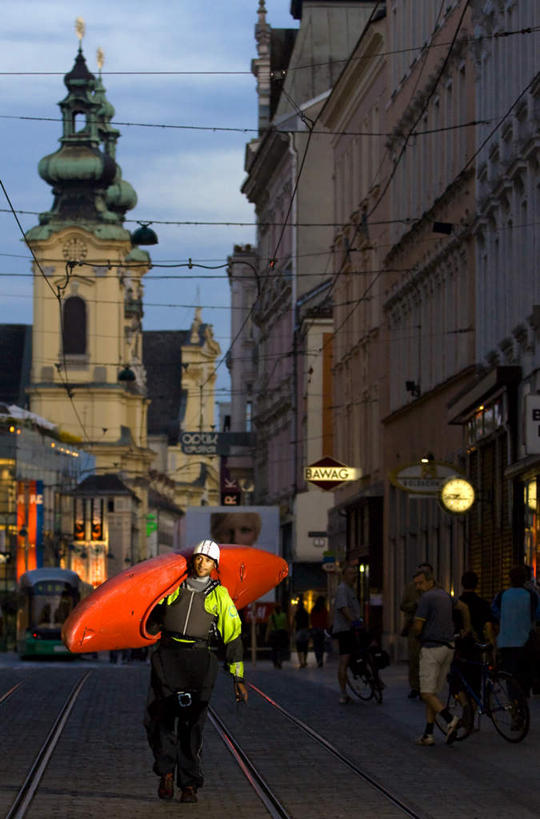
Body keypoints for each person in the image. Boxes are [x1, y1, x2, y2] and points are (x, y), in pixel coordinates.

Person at [144, 539, 247, 803]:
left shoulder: (219, 595)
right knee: (157, 719)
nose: (203, 563)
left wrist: (238, 678)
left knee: (192, 726)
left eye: (209, 560)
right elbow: (153, 618)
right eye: (199, 558)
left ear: (215, 566)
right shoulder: (172, 586)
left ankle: (188, 784)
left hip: (200, 662)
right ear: (193, 560)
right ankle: (166, 772)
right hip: (166, 658)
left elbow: (233, 635)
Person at [412, 567, 469, 746]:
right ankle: (428, 734)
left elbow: (418, 627)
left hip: (432, 648)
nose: (419, 587)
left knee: (426, 693)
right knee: (433, 694)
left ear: (430, 581)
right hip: (448, 648)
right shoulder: (445, 595)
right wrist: (466, 629)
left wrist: (416, 633)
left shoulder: (426, 598)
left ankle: (450, 719)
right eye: (416, 584)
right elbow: (464, 607)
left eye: (421, 583)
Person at [491, 565, 540, 697]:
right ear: (524, 579)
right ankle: (523, 701)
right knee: (524, 675)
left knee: (510, 676)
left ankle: (514, 704)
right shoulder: (532, 595)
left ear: (510, 579)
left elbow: (494, 612)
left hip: (506, 642)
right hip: (525, 642)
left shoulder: (501, 595)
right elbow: (538, 614)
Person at [400, 562, 434, 699]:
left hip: (430, 627)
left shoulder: (435, 589)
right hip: (414, 627)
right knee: (414, 658)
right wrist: (414, 604)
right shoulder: (410, 588)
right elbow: (403, 605)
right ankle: (415, 686)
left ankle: (426, 687)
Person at [333, 562, 363, 703]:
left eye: (355, 573)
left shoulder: (351, 589)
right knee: (344, 660)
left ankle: (374, 679)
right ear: (343, 575)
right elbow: (343, 608)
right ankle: (343, 693)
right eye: (351, 573)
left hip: (353, 629)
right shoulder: (342, 589)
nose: (354, 576)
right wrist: (354, 622)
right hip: (345, 630)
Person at [265, 603, 289, 668]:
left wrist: (266, 636)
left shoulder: (271, 616)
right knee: (281, 649)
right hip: (281, 634)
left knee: (274, 649)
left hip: (274, 634)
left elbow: (269, 627)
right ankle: (280, 661)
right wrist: (288, 634)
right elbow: (286, 625)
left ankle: (275, 662)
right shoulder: (284, 615)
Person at [310, 596, 328, 668]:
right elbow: (326, 619)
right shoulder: (324, 609)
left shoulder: (313, 609)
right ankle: (321, 658)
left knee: (316, 645)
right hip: (322, 629)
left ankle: (318, 660)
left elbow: (311, 619)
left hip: (315, 629)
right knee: (321, 645)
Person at [294, 594, 310, 668]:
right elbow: (309, 622)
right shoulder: (306, 613)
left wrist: (292, 630)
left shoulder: (297, 613)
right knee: (305, 646)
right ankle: (305, 660)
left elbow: (294, 622)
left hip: (299, 630)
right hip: (305, 630)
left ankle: (301, 661)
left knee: (299, 647)